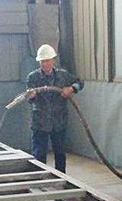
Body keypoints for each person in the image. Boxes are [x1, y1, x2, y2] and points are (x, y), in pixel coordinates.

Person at [26, 44, 84, 173]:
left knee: (60, 153)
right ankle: (39, 178)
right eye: (42, 61)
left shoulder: (63, 75)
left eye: (47, 61)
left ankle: (61, 177)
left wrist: (71, 88)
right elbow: (29, 98)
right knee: (39, 154)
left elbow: (80, 82)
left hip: (59, 120)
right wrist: (32, 95)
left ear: (53, 60)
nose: (45, 64)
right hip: (40, 121)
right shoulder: (33, 77)